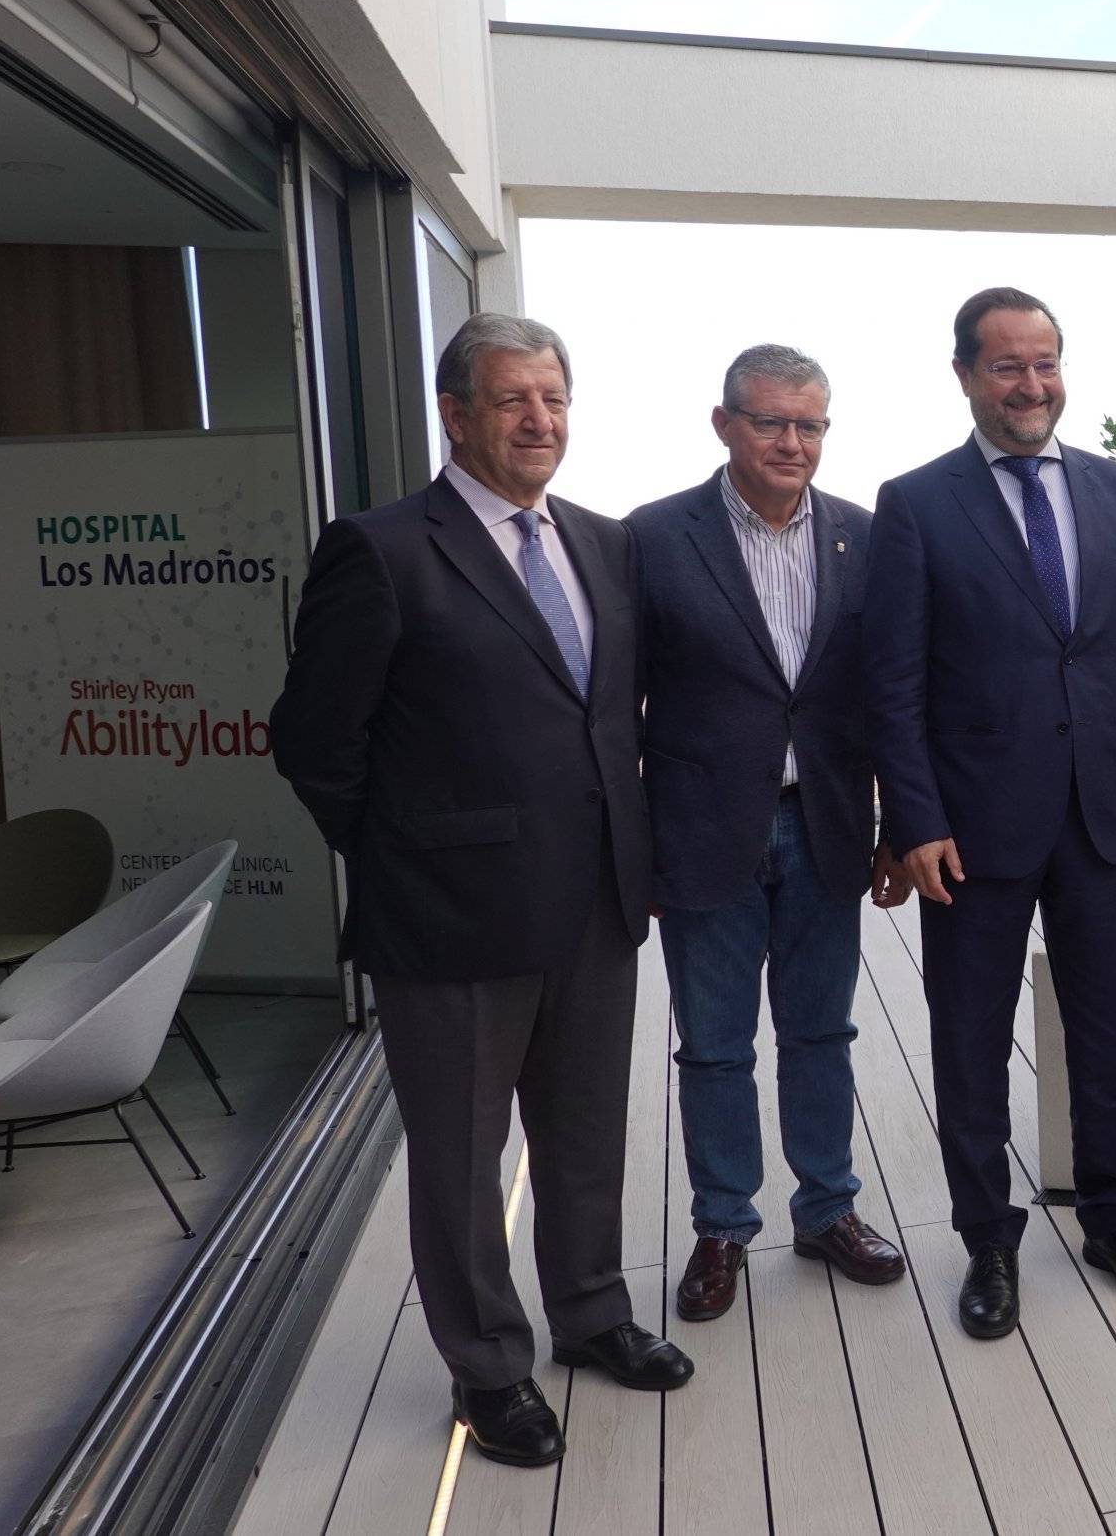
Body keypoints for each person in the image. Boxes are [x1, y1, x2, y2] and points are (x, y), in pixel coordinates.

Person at [271, 313, 691, 1470]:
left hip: (597, 905)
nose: (538, 420)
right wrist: (408, 857)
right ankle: (490, 1368)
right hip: (448, 923)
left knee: (586, 1136)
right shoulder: (383, 548)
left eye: (553, 398)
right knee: (461, 1164)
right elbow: (314, 742)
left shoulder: (604, 546)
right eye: (511, 399)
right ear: (454, 415)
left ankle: (593, 1313)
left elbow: (607, 717)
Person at [863, 286, 1116, 1339]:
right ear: (964, 375)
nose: (1030, 384)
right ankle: (988, 1244)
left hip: (1101, 816)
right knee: (969, 1044)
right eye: (1006, 365)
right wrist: (913, 819)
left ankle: (1112, 1220)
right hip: (968, 832)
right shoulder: (915, 503)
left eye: (1044, 362)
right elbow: (894, 684)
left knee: (1108, 1036)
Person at [627, 344, 909, 1324]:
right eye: (771, 422)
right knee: (712, 1049)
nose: (793, 443)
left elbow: (890, 698)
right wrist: (637, 849)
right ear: (723, 426)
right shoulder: (654, 540)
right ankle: (721, 1228)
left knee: (821, 1034)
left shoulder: (865, 539)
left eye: (810, 425)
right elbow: (617, 711)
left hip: (827, 827)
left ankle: (827, 1211)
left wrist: (897, 828)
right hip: (704, 838)